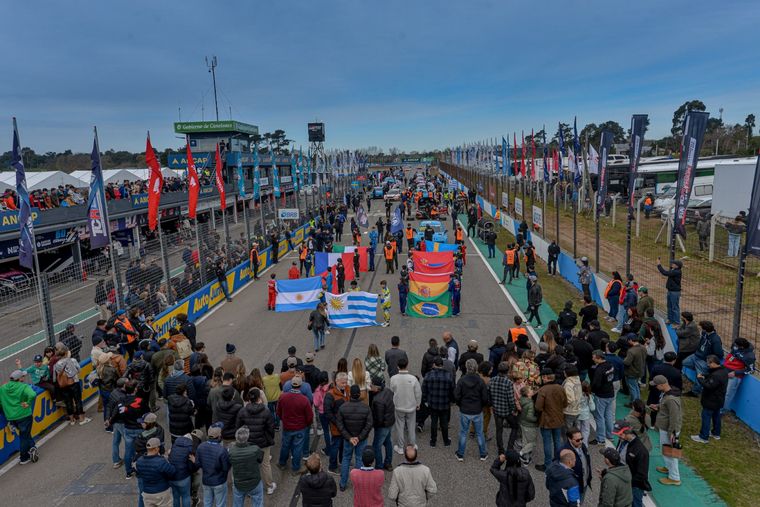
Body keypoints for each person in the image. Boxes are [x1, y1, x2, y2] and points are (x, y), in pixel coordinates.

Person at [336, 384, 374, 491]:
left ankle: (343, 484)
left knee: (346, 459)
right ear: (359, 395)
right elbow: (369, 424)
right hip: (361, 439)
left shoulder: (343, 407)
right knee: (359, 458)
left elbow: (339, 424)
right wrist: (360, 437)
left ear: (350, 394)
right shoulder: (366, 408)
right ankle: (358, 483)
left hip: (348, 439)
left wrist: (349, 438)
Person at [0, 370, 39, 465]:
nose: (24, 378)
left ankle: (32, 447)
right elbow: (33, 394)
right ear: (19, 378)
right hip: (23, 415)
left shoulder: (3, 388)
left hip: (11, 417)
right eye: (23, 377)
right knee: (24, 436)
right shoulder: (23, 386)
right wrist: (28, 403)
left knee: (24, 434)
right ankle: (24, 457)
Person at [649, 375, 682, 486]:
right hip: (666, 428)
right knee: (666, 450)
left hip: (670, 430)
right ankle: (668, 467)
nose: (655, 387)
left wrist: (672, 433)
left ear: (662, 385)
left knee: (671, 453)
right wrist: (658, 407)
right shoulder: (667, 394)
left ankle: (674, 477)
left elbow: (674, 416)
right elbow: (667, 409)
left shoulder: (671, 399)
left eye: (656, 385)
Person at [276, 376, 313, 474]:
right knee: (297, 447)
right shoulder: (304, 400)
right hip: (300, 427)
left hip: (287, 426)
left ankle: (282, 463)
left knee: (285, 445)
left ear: (291, 384)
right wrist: (307, 424)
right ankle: (296, 468)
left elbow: (278, 412)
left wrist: (283, 420)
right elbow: (309, 416)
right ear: (301, 385)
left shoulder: (283, 397)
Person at [454, 358, 489, 462]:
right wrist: (481, 406)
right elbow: (485, 398)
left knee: (463, 432)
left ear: (466, 367)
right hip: (477, 410)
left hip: (465, 409)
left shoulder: (462, 380)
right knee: (480, 433)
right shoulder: (480, 381)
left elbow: (456, 396)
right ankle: (483, 454)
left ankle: (460, 454)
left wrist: (460, 404)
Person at [690, 354, 729, 444]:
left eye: (709, 363)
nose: (708, 365)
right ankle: (716, 433)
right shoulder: (723, 370)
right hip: (719, 400)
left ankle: (703, 437)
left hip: (711, 400)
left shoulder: (716, 375)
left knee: (706, 417)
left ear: (714, 363)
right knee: (716, 416)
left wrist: (700, 379)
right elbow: (711, 375)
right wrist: (705, 375)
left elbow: (708, 386)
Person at [613, 420, 651, 507]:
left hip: (635, 486)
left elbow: (642, 475)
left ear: (628, 432)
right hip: (623, 479)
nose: (618, 436)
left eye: (620, 434)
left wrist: (627, 483)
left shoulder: (641, 451)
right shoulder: (622, 439)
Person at [535, 369, 567, 471]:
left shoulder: (543, 390)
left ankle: (548, 464)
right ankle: (558, 462)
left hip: (546, 421)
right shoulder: (560, 388)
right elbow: (565, 404)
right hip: (558, 419)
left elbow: (538, 407)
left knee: (547, 442)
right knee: (558, 440)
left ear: (545, 377)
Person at [390, 356, 422, 453]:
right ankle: (412, 444)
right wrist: (418, 403)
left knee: (400, 427)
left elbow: (392, 391)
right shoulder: (413, 379)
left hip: (399, 406)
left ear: (398, 367)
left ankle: (400, 447)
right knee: (411, 426)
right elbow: (418, 392)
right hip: (411, 407)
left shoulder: (393, 378)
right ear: (407, 365)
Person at [683, 321, 724, 396]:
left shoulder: (715, 339)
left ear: (705, 329)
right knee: (684, 362)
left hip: (703, 360)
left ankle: (695, 392)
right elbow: (701, 342)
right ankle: (703, 372)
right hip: (696, 355)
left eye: (702, 328)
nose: (700, 329)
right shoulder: (704, 334)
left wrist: (709, 361)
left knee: (699, 376)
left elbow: (719, 354)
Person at [422, 357, 454, 448]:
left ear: (434, 365)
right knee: (444, 422)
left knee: (434, 422)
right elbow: (452, 390)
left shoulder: (428, 375)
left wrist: (425, 400)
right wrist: (451, 400)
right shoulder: (448, 376)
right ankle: (446, 441)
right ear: (442, 365)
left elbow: (424, 389)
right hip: (444, 403)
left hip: (433, 403)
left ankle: (433, 441)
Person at [228, 426, 264, 507]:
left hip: (239, 483)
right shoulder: (255, 449)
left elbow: (229, 463)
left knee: (237, 504)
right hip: (255, 482)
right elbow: (260, 459)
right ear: (247, 437)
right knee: (258, 503)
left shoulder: (231, 452)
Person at [135, 437, 176, 507]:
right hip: (161, 492)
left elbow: (139, 474)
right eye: (159, 447)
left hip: (147, 493)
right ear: (156, 449)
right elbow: (172, 471)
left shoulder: (139, 461)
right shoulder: (161, 462)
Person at [196, 425, 230, 506]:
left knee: (207, 503)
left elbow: (197, 463)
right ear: (219, 436)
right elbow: (226, 468)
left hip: (206, 480)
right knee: (220, 504)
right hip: (219, 481)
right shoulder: (222, 450)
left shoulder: (201, 447)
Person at [489, 361, 518, 454]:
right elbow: (510, 398)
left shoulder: (492, 380)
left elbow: (489, 394)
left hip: (496, 410)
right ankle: (510, 447)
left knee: (499, 430)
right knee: (515, 427)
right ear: (507, 371)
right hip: (507, 410)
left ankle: (500, 450)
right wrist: (514, 409)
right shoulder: (508, 382)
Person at [722, 337, 755, 413]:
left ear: (742, 347)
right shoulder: (735, 346)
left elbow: (751, 370)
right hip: (725, 370)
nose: (734, 346)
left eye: (736, 345)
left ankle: (722, 410)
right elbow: (731, 355)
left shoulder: (749, 356)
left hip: (734, 376)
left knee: (728, 394)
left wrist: (735, 373)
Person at [370, 375, 395, 471]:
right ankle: (388, 463)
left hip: (382, 426)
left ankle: (379, 466)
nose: (370, 386)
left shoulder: (377, 400)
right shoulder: (388, 391)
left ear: (377, 387)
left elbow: (379, 419)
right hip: (390, 422)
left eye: (372, 385)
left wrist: (373, 425)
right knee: (388, 442)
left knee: (376, 446)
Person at [590, 350, 616, 446]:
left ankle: (600, 439)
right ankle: (610, 435)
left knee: (599, 417)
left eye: (593, 357)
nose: (592, 358)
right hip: (610, 393)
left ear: (598, 358)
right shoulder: (610, 364)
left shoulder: (599, 369)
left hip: (601, 396)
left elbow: (596, 384)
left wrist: (592, 390)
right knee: (608, 415)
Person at [559, 428, 592, 501]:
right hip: (573, 486)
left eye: (581, 439)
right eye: (577, 440)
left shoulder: (582, 446)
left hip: (584, 482)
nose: (580, 441)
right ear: (569, 439)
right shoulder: (563, 452)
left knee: (580, 501)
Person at [656, 257, 682, 325]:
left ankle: (676, 322)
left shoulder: (676, 272)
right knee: (669, 306)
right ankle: (670, 319)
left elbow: (664, 272)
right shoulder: (674, 270)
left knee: (674, 307)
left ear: (677, 266)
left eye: (673, 263)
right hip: (670, 291)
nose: (672, 264)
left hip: (674, 292)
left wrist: (659, 264)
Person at [623, 337, 646, 402]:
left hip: (632, 372)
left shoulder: (631, 351)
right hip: (640, 371)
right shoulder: (643, 347)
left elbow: (627, 362)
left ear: (630, 340)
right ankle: (638, 401)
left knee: (632, 388)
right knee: (636, 386)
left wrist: (623, 360)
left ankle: (635, 404)